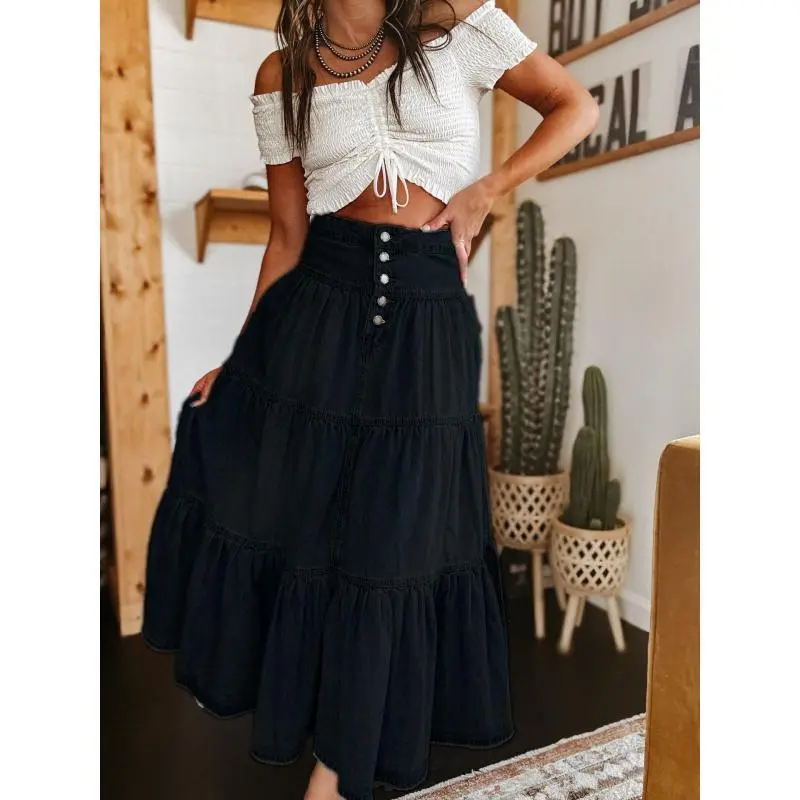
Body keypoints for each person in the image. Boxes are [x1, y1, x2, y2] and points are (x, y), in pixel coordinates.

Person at [142, 2, 598, 799]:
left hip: (428, 314)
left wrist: (488, 187)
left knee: (394, 545)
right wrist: (240, 359)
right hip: (318, 305)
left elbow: (575, 106)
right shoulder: (282, 74)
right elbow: (287, 237)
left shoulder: (458, 24)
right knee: (312, 529)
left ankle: (339, 766)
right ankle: (326, 749)